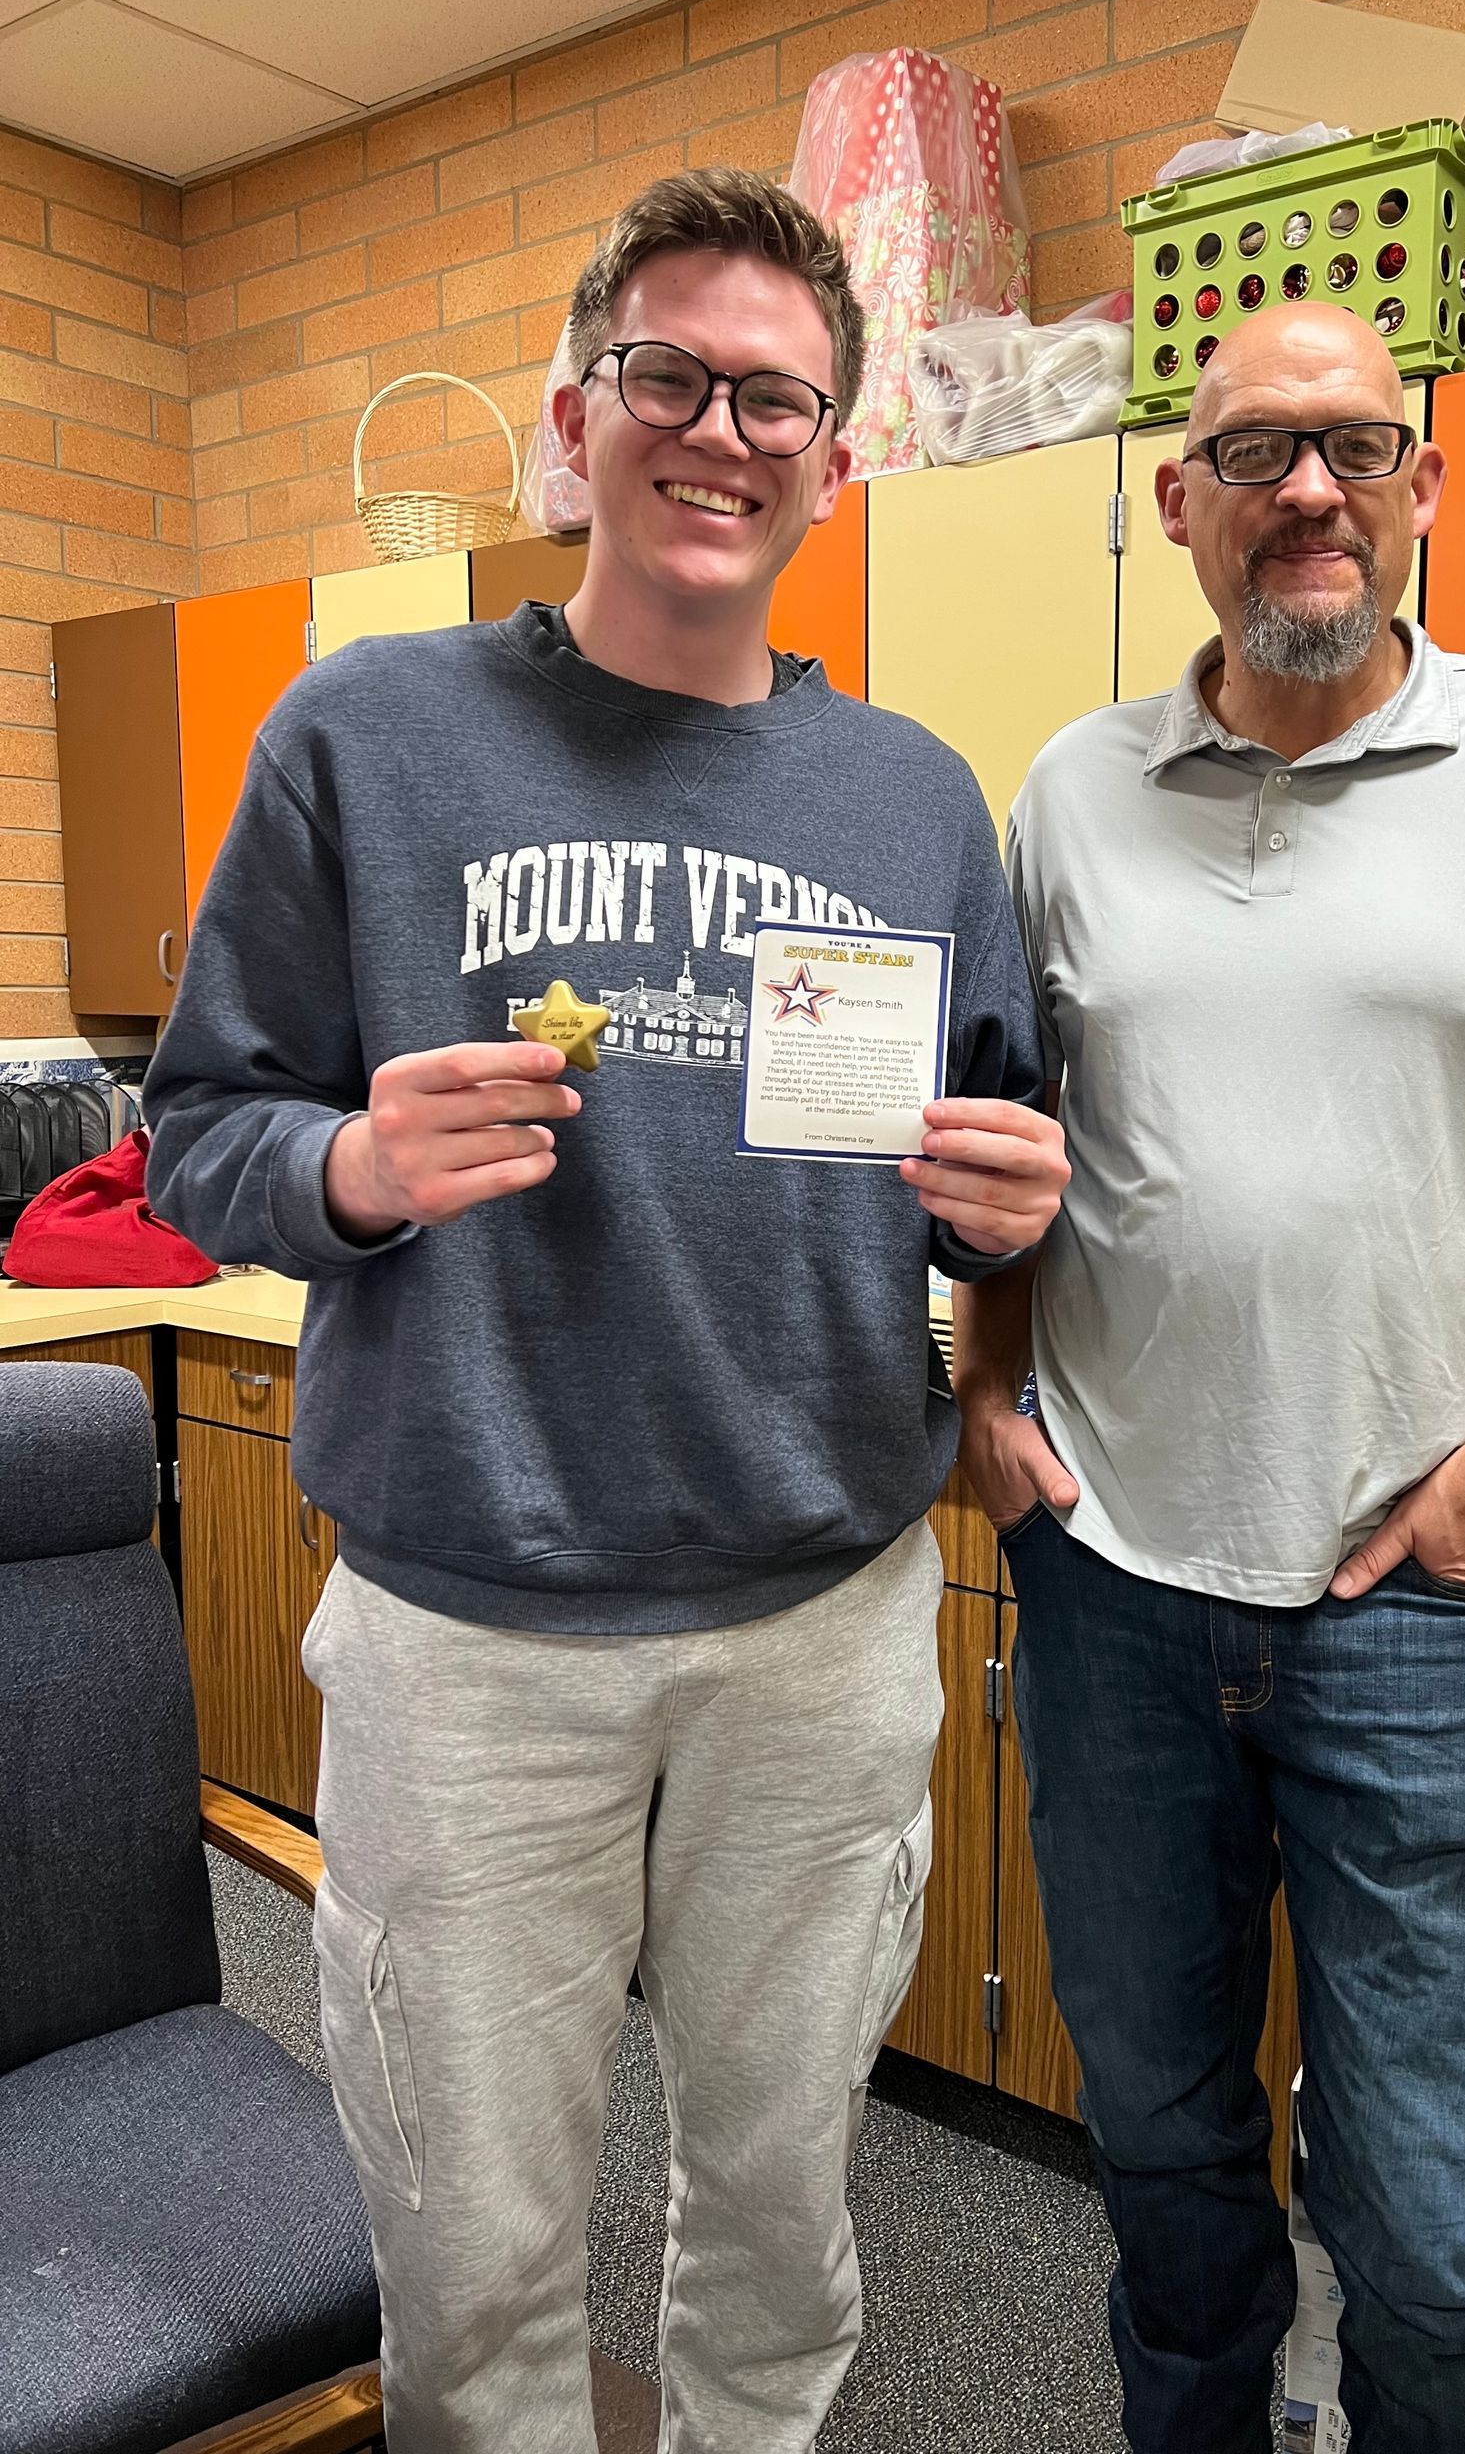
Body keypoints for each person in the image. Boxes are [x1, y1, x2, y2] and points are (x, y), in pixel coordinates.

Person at [145, 167, 1068, 2454]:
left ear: (835, 459)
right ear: (580, 415)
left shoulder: (914, 798)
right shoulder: (366, 733)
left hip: (820, 1623)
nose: (720, 430)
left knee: (781, 2201)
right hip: (476, 1632)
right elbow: (194, 1135)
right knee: (474, 2240)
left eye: (777, 396)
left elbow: (988, 1175)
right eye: (672, 375)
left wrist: (1007, 1203)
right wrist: (349, 1164)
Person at [954, 301, 1465, 2454]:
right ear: (1177, 502)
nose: (1308, 488)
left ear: (1423, 485)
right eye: (1254, 452)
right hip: (1114, 1583)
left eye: (1355, 446)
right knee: (1165, 2158)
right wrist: (986, 1399)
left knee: (1430, 2214)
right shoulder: (1071, 790)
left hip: (1424, 1599)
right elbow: (1011, 1144)